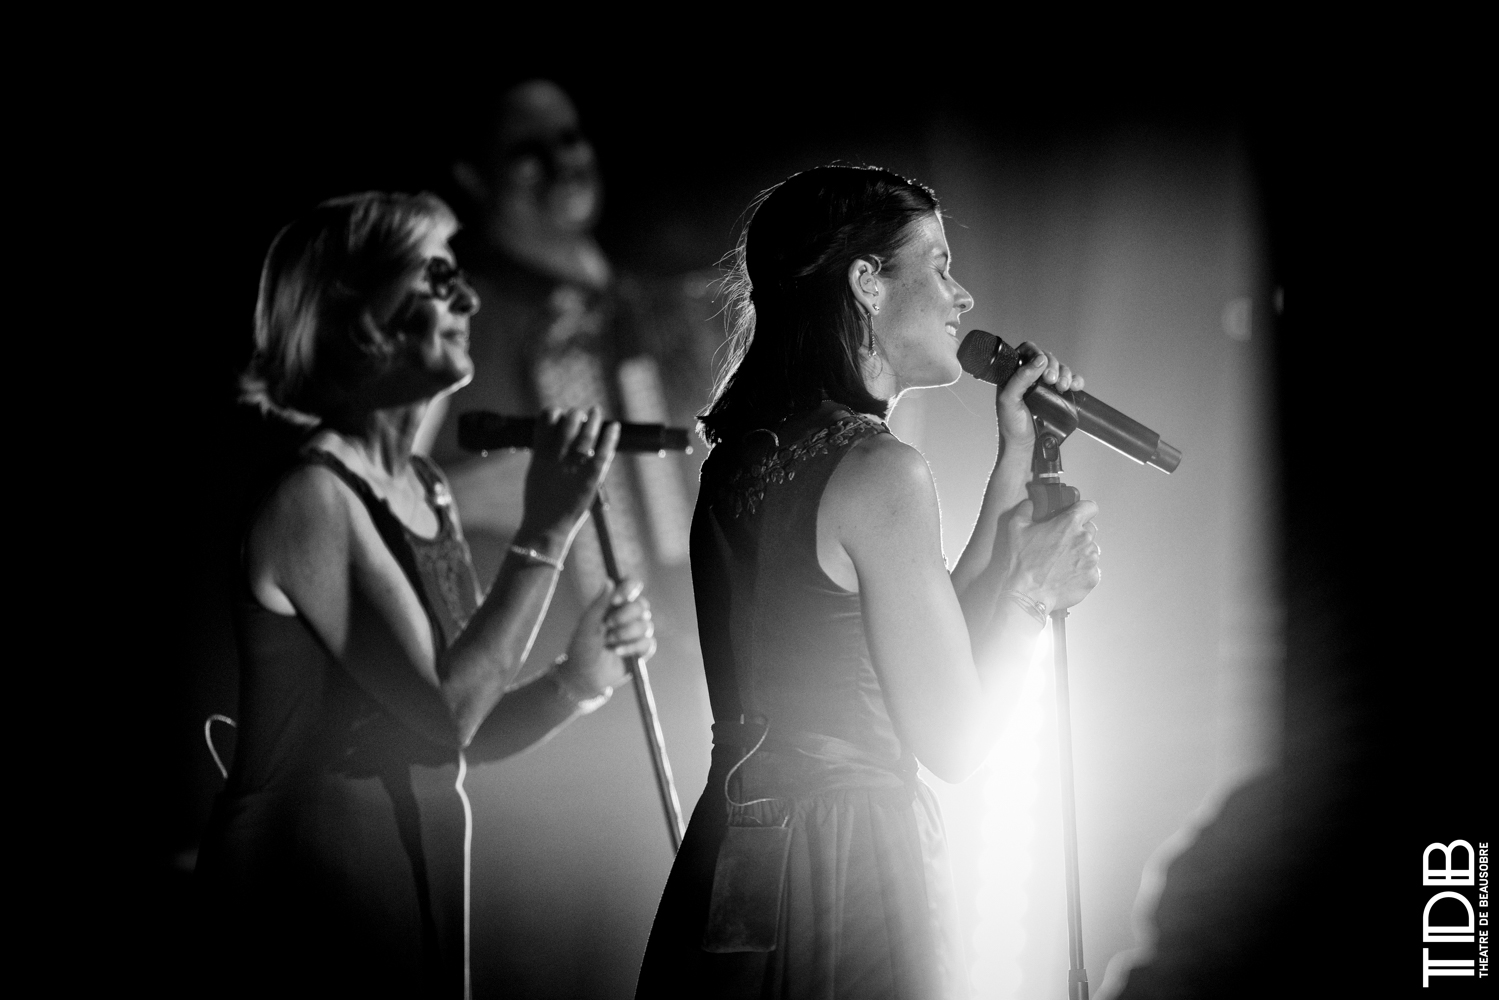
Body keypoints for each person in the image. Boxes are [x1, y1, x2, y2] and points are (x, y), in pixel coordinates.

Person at [635, 165, 1102, 999]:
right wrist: (1032, 595)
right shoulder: (880, 470)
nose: (961, 297)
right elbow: (953, 740)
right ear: (866, 281)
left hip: (737, 849)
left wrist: (1016, 454)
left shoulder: (746, 451)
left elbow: (925, 638)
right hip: (847, 856)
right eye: (939, 265)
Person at [195, 191, 656, 999]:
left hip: (410, 890)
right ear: (356, 312)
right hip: (304, 905)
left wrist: (573, 684)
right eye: (438, 278)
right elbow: (445, 711)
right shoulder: (314, 496)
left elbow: (454, 734)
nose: (468, 301)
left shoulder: (423, 488)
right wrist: (547, 529)